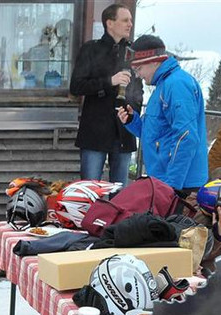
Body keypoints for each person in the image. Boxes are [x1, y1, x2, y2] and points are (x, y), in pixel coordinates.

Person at [117, 35, 208, 191]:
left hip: (180, 185)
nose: (137, 75)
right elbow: (155, 133)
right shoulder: (163, 85)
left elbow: (186, 137)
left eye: (139, 69)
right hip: (164, 180)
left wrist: (171, 186)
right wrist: (132, 121)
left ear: (154, 61)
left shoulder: (177, 85)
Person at [69, 4, 142, 185]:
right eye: (125, 20)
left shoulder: (133, 53)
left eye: (131, 20)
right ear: (110, 23)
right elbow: (76, 86)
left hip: (123, 131)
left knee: (120, 193)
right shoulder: (90, 49)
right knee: (90, 189)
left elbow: (139, 90)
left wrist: (133, 111)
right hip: (95, 130)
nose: (130, 24)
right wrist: (110, 81)